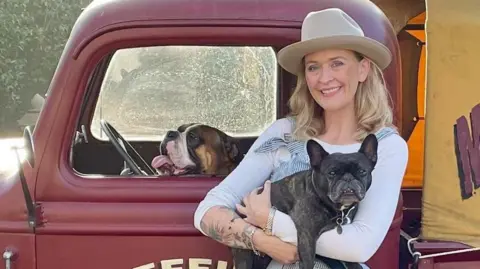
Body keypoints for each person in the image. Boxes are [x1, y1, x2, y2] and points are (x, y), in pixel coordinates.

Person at [193, 8, 409, 269]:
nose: (324, 78)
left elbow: (359, 245)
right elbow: (208, 209)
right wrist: (261, 240)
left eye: (337, 63)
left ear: (363, 69)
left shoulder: (387, 145)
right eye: (313, 67)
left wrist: (269, 220)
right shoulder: (284, 135)